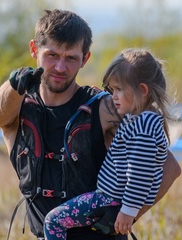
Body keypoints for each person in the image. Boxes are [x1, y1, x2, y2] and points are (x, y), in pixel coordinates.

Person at [0, 9, 181, 240]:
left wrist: (127, 215)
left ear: (85, 59)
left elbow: (169, 167)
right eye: (52, 55)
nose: (60, 67)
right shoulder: (19, 109)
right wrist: (14, 84)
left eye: (71, 58)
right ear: (34, 50)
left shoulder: (104, 109)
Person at [43, 48, 174, 239]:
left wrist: (128, 211)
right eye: (112, 90)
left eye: (119, 89)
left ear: (142, 90)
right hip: (112, 198)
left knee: (53, 221)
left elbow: (140, 172)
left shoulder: (144, 127)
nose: (113, 96)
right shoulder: (139, 119)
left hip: (109, 200)